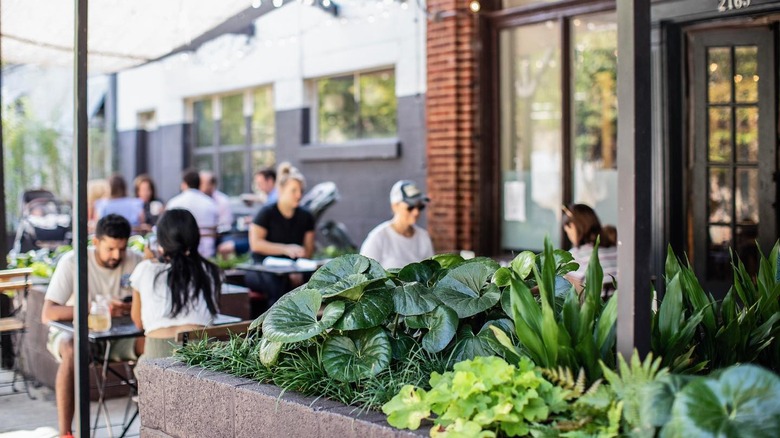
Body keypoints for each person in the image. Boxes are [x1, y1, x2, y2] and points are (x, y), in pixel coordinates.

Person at [41, 214, 144, 438]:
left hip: (121, 336)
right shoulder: (72, 261)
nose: (117, 255)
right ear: (96, 242)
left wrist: (128, 308)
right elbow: (48, 313)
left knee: (153, 344)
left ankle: (151, 419)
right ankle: (65, 432)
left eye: (122, 248)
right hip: (76, 335)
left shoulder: (135, 261)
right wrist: (95, 308)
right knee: (71, 348)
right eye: (110, 249)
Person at [130, 209, 221, 360]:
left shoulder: (145, 269)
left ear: (161, 241)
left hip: (158, 353)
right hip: (200, 355)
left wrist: (148, 261)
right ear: (194, 237)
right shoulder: (210, 271)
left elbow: (138, 322)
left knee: (141, 364)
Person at [246, 162, 314, 316]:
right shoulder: (266, 213)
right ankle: (272, 330)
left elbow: (308, 251)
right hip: (261, 268)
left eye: (301, 190)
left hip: (293, 267)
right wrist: (285, 248)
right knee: (278, 284)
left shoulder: (306, 216)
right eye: (294, 190)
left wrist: (295, 268)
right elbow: (256, 245)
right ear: (281, 190)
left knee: (313, 280)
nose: (299, 195)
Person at [360, 180, 434, 269]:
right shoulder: (378, 237)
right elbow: (364, 274)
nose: (416, 212)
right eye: (410, 207)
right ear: (395, 206)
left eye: (420, 207)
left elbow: (431, 271)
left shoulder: (423, 236)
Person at [562, 203, 618, 291]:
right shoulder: (616, 250)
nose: (569, 236)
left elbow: (569, 291)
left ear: (574, 227)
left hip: (595, 304)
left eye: (568, 232)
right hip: (618, 303)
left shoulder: (575, 255)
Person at [166, 169, 219, 258]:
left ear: (184, 184)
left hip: (182, 253)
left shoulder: (174, 203)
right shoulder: (211, 203)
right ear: (199, 184)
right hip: (208, 251)